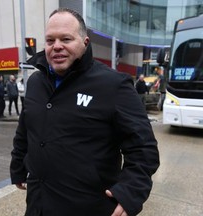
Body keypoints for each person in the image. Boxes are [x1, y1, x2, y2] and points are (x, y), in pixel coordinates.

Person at [10, 8, 160, 216]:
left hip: (88, 206)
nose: (57, 47)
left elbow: (144, 149)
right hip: (38, 203)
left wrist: (130, 192)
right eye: (50, 40)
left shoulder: (114, 85)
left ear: (85, 42)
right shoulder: (35, 82)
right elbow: (25, 130)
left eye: (66, 39)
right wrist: (17, 166)